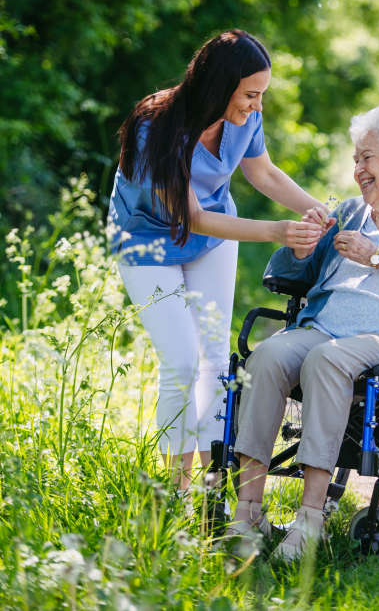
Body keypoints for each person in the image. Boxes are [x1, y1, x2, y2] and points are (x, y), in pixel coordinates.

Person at [227, 105, 379, 559]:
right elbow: (285, 276)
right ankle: (248, 514)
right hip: (322, 326)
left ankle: (311, 519)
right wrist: (302, 243)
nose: (357, 169)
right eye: (356, 158)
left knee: (326, 359)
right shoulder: (348, 211)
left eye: (368, 158)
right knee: (264, 357)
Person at [108, 30, 325, 490]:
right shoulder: (156, 125)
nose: (257, 105)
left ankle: (212, 492)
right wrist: (277, 232)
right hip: (148, 241)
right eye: (251, 94)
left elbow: (263, 173)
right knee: (183, 363)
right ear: (219, 85)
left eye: (262, 94)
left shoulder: (244, 120)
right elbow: (191, 217)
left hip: (211, 239)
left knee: (212, 364)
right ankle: (171, 495)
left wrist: (319, 211)